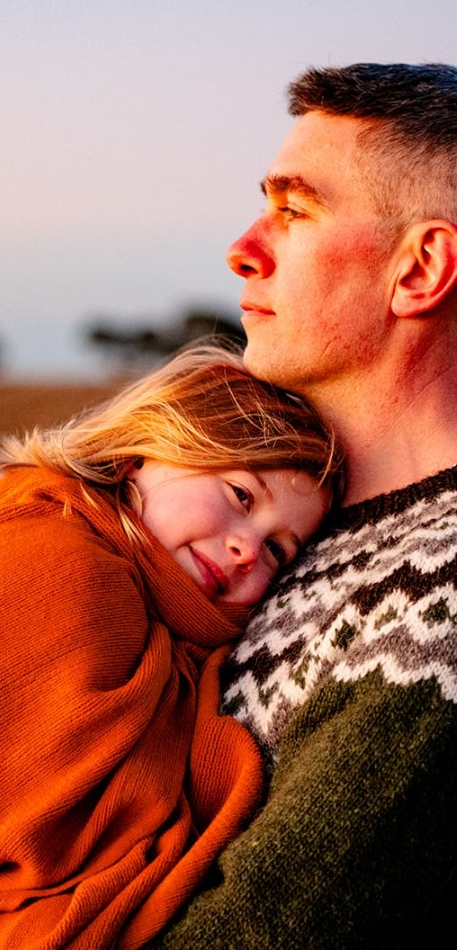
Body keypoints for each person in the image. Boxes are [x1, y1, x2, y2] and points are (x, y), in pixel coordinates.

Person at [146, 63, 457, 948]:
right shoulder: (270, 517)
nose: (243, 249)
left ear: (421, 268)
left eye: (296, 209)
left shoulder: (440, 602)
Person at [0, 344, 343, 949]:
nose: (247, 548)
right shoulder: (64, 561)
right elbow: (59, 848)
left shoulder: (152, 609)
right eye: (241, 496)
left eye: (278, 549)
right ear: (154, 445)